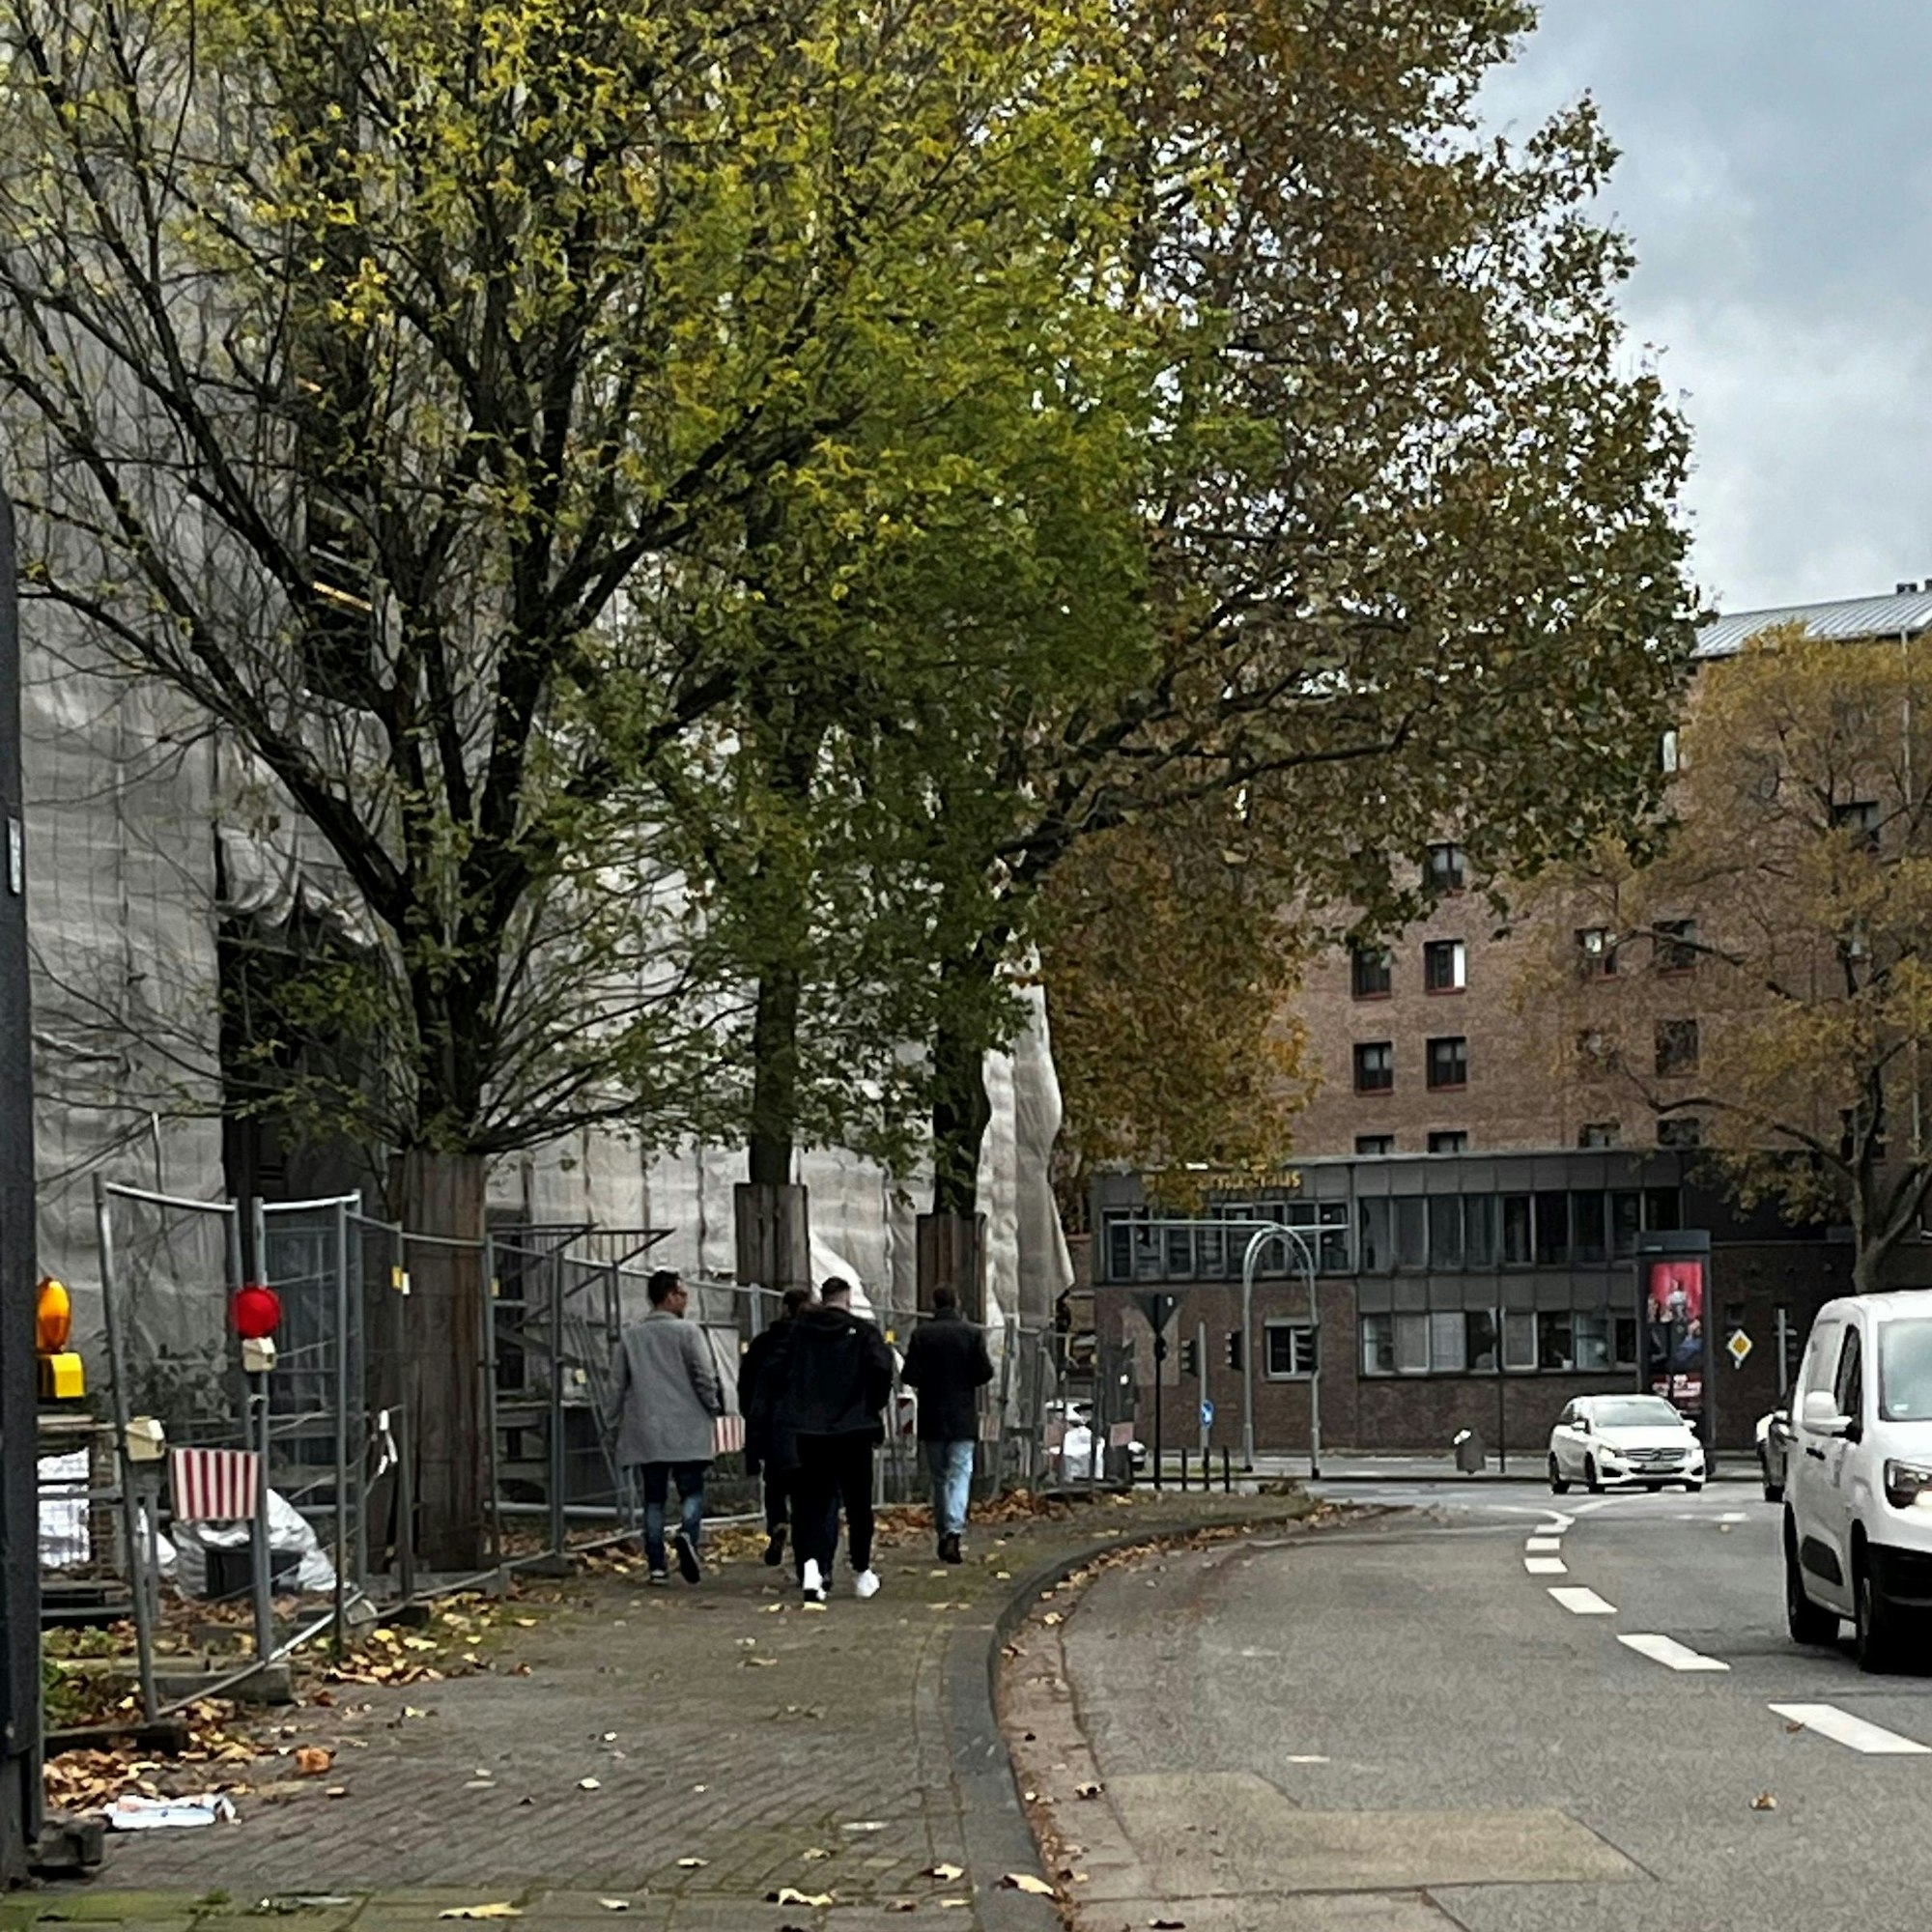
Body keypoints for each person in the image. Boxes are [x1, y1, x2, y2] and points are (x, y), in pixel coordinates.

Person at [755, 1276, 894, 1604]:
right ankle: (861, 1569)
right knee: (858, 1503)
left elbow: (773, 1373)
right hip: (853, 1429)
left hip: (807, 1430)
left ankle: (812, 1569)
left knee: (810, 1503)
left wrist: (788, 1409)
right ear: (847, 1300)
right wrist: (868, 1406)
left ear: (823, 1298)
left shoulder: (798, 1333)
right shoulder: (864, 1333)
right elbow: (882, 1371)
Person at [608, 1269, 724, 1585]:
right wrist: (713, 1405)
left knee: (654, 1499)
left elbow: (617, 1383)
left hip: (646, 1427)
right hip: (688, 1425)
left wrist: (611, 1420)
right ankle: (687, 1534)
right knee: (692, 1491)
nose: (686, 1300)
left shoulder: (631, 1336)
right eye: (682, 1294)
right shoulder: (689, 1332)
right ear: (670, 1296)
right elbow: (703, 1374)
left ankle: (657, 1566)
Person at [900, 1285, 994, 1563]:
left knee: (939, 1477)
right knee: (960, 1472)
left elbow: (910, 1375)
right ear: (957, 1302)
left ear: (934, 1303)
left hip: (932, 1414)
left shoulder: (921, 1335)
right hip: (962, 1414)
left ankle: (944, 1530)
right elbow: (984, 1372)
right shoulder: (971, 1334)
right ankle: (954, 1528)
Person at [740, 1286, 812, 1568]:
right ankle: (806, 1546)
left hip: (773, 1427)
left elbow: (748, 1385)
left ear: (784, 1309)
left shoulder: (763, 1344)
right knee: (806, 1489)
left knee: (775, 1483)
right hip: (810, 1428)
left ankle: (777, 1524)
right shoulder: (814, 1344)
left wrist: (752, 1420)